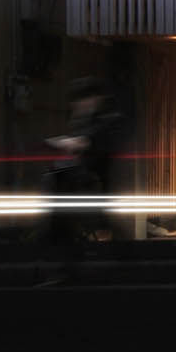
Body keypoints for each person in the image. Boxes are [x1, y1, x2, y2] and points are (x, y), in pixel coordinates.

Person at [40, 77, 125, 262]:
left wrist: (68, 143)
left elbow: (87, 142)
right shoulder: (85, 120)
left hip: (93, 180)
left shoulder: (103, 121)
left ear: (93, 99)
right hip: (87, 180)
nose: (78, 105)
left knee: (72, 220)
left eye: (81, 100)